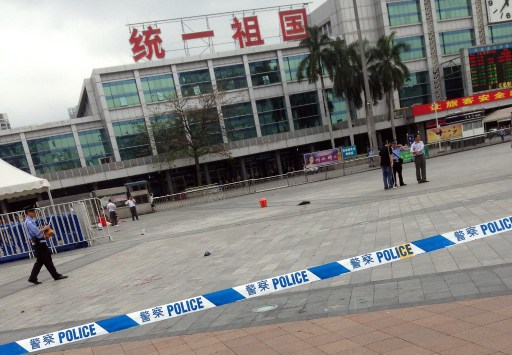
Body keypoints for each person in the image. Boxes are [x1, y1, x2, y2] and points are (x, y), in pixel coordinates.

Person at [25, 206, 68, 285]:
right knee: (47, 259)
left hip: (39, 243)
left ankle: (33, 277)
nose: (34, 213)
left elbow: (37, 232)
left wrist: (45, 232)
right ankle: (55, 275)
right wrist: (45, 228)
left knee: (41, 261)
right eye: (32, 211)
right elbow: (37, 232)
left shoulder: (31, 221)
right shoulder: (29, 222)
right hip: (38, 244)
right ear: (28, 213)